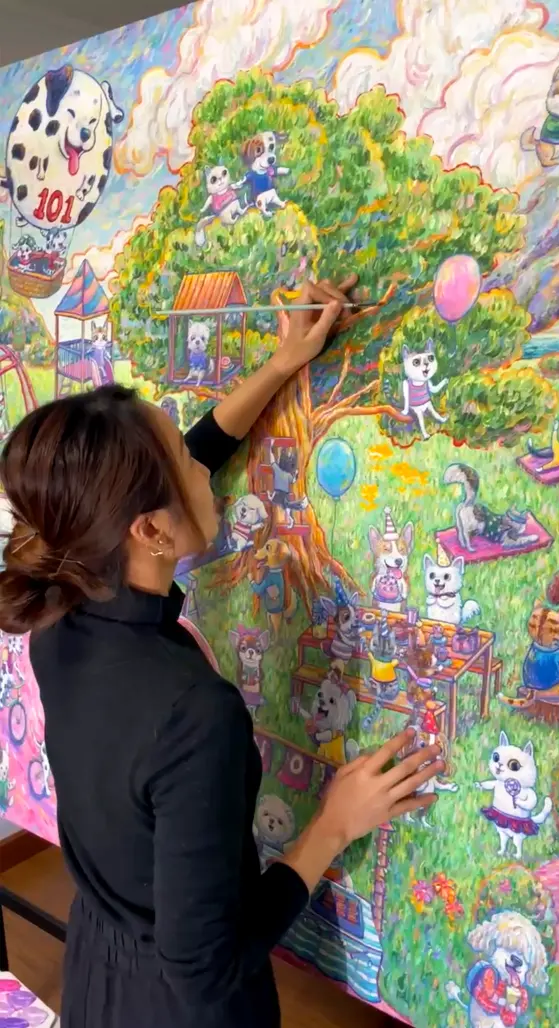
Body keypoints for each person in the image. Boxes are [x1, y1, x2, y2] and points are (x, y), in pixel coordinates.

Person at [0, 277, 443, 1028]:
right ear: (148, 530)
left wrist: (281, 364)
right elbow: (202, 971)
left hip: (100, 974)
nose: (203, 469)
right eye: (182, 458)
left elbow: (179, 467)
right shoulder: (193, 713)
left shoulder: (60, 618)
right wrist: (332, 825)